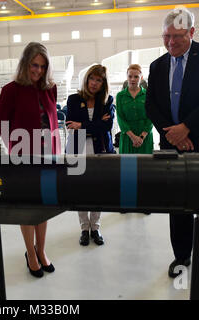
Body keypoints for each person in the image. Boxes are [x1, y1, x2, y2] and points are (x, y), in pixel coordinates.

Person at [145, 8, 199, 297]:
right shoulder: (157, 66)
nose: (171, 43)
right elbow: (152, 107)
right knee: (177, 205)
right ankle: (181, 257)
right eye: (166, 37)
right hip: (173, 146)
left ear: (192, 33)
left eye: (178, 37)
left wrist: (187, 128)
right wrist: (173, 133)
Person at [0, 42, 59, 278]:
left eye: (43, 66)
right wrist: (16, 150)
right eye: (34, 65)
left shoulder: (49, 88)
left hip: (49, 157)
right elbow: (2, 125)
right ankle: (30, 253)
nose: (39, 71)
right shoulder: (10, 90)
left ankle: (41, 250)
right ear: (25, 63)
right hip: (24, 158)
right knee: (27, 208)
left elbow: (53, 123)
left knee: (44, 207)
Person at [65, 64, 115, 246]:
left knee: (98, 190)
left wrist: (83, 125)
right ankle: (84, 228)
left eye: (99, 80)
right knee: (80, 190)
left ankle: (96, 227)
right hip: (77, 149)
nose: (94, 83)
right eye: (92, 79)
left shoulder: (108, 101)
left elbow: (107, 127)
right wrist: (95, 123)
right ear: (86, 79)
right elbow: (71, 124)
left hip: (100, 149)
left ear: (103, 83)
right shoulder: (73, 99)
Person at [116, 64, 153, 154]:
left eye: (136, 77)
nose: (133, 79)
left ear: (142, 78)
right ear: (127, 77)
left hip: (145, 136)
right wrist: (133, 137)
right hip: (127, 136)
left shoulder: (148, 95)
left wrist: (141, 137)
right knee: (128, 167)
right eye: (130, 76)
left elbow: (151, 117)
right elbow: (120, 118)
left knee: (145, 166)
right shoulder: (120, 96)